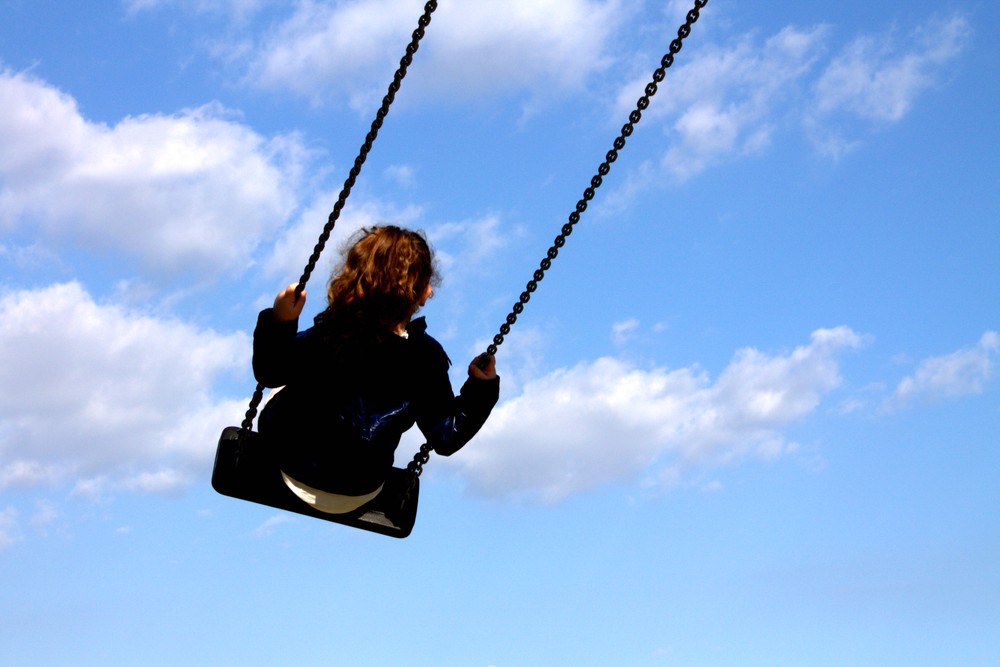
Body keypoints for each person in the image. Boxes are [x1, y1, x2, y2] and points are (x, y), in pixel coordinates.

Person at [252, 225, 499, 515]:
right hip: (359, 489)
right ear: (419, 292)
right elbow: (446, 436)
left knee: (282, 387)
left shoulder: (333, 331)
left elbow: (269, 371)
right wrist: (481, 390)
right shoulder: (425, 356)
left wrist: (281, 321)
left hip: (293, 468)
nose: (431, 289)